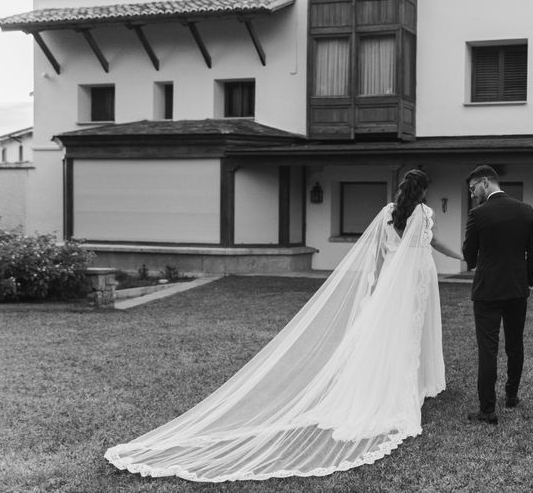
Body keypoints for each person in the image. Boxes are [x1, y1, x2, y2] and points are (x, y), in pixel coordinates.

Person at [105, 169, 463, 481]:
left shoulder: (388, 213)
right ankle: (408, 387)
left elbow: (383, 255)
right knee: (412, 333)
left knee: (389, 336)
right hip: (416, 280)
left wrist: (380, 288)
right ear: (423, 191)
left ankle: (398, 382)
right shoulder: (424, 214)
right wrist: (460, 255)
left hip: (392, 285)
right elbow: (434, 244)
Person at [462, 165, 533, 425]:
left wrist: (479, 258)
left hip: (487, 291)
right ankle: (511, 395)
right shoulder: (526, 211)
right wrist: (528, 282)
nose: (473, 194)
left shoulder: (478, 215)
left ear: (485, 182)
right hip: (517, 290)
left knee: (488, 349)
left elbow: (469, 256)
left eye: (473, 188)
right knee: (515, 344)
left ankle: (487, 409)